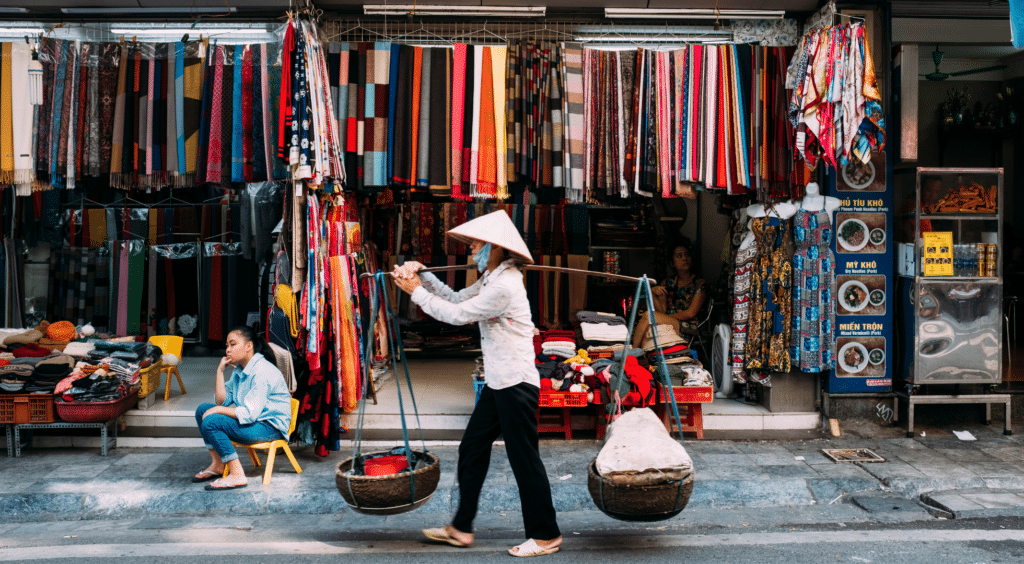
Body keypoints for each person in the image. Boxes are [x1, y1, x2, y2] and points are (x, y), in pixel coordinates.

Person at [391, 210, 562, 558]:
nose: (471, 251)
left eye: (476, 245)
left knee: (524, 460)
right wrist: (424, 275)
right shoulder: (491, 278)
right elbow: (455, 298)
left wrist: (416, 292)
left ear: (496, 248)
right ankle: (461, 527)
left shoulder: (504, 285)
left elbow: (456, 316)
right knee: (472, 448)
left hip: (515, 384)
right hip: (499, 382)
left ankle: (546, 535)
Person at [192, 326, 292, 491]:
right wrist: (219, 371)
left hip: (269, 427)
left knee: (211, 419)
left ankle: (237, 473)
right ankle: (218, 465)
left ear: (248, 346)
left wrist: (217, 411)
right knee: (203, 410)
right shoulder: (240, 370)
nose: (228, 350)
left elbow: (249, 414)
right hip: (255, 423)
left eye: (233, 344)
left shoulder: (261, 371)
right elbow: (221, 402)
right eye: (227, 346)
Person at [631, 238, 708, 349]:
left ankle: (632, 352)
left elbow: (690, 313)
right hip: (670, 323)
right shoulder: (668, 282)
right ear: (672, 263)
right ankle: (645, 361)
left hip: (688, 327)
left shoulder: (700, 283)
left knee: (648, 316)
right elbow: (661, 310)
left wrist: (663, 318)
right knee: (648, 329)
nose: (685, 258)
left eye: (687, 255)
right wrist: (652, 293)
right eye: (679, 256)